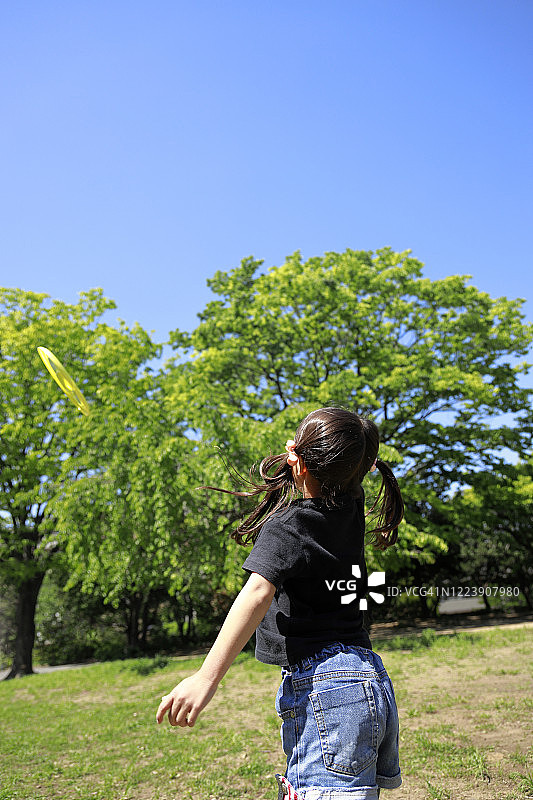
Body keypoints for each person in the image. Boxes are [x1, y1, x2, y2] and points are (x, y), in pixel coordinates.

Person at [156, 407, 404, 800]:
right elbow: (345, 469)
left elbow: (256, 593)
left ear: (299, 462)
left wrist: (206, 678)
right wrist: (307, 462)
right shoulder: (351, 508)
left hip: (329, 686)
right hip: (368, 675)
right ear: (364, 469)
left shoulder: (289, 526)